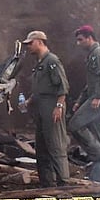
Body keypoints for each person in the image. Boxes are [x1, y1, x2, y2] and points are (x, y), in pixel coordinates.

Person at [21, 30, 71, 187]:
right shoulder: (40, 63)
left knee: (56, 145)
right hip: (41, 109)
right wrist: (29, 101)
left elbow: (63, 87)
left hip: (51, 107)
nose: (28, 47)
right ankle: (47, 184)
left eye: (30, 43)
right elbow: (39, 89)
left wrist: (59, 106)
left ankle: (63, 184)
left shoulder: (52, 61)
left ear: (39, 42)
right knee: (42, 149)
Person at [68, 25, 100, 182]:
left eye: (80, 40)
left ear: (90, 38)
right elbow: (90, 83)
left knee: (74, 124)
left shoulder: (97, 54)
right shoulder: (93, 54)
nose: (78, 43)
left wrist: (98, 97)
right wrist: (80, 101)